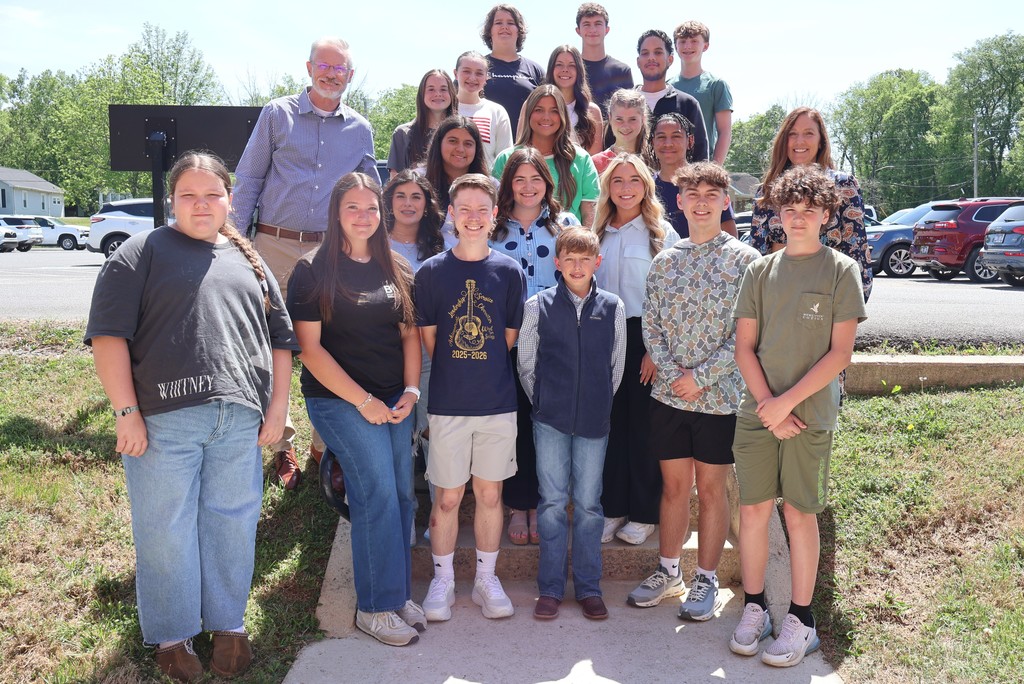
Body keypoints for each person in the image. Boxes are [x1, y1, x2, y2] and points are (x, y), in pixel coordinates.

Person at [87, 152, 298, 681]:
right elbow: (109, 336)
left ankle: (228, 624)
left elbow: (280, 344)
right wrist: (126, 412)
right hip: (164, 420)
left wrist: (277, 408)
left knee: (233, 521)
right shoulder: (141, 253)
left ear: (230, 198)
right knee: (166, 528)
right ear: (172, 201)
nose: (201, 205)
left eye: (212, 195)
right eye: (188, 196)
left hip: (241, 420)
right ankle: (173, 635)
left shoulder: (250, 260)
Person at [730, 165, 866, 666]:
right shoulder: (760, 271)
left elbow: (840, 354)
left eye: (810, 210)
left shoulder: (840, 270)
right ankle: (755, 607)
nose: (799, 218)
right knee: (753, 511)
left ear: (827, 215)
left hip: (807, 415)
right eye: (790, 210)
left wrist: (785, 405)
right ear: (779, 215)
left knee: (799, 511)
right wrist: (768, 406)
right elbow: (745, 347)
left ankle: (801, 620)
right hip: (758, 411)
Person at [232, 36, 379, 490]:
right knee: (269, 345)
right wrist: (234, 241)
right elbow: (250, 177)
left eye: (340, 69)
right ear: (309, 67)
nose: (331, 74)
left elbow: (370, 192)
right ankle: (282, 446)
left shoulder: (360, 129)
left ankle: (323, 447)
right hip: (273, 244)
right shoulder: (277, 114)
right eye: (324, 66)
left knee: (329, 346)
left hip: (329, 254)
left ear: (350, 77)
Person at [287, 172, 424, 647]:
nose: (363, 217)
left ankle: (396, 593)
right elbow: (310, 349)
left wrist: (411, 390)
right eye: (353, 208)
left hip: (393, 399)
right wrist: (362, 401)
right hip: (339, 400)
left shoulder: (396, 266)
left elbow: (408, 333)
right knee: (377, 494)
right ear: (336, 213)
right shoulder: (312, 270)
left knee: (404, 494)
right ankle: (373, 608)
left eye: (371, 208)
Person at [627, 162, 759, 621]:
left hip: (719, 399)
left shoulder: (745, 261)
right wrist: (670, 372)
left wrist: (700, 377)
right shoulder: (666, 260)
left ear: (726, 201)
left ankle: (706, 577)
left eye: (710, 194)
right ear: (678, 202)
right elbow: (652, 325)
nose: (701, 202)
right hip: (668, 397)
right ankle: (669, 572)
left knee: (713, 488)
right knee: (674, 487)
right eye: (692, 194)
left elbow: (746, 335)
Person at [414, 174, 527, 622]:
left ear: (495, 214)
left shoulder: (509, 272)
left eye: (483, 209)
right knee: (446, 497)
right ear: (451, 216)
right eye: (466, 209)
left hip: (497, 404)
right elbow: (431, 343)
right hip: (447, 405)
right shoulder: (430, 273)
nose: (474, 217)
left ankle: (485, 578)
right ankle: (442, 581)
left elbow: (508, 339)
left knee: (490, 494)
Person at [518, 227, 626, 621]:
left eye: (585, 259)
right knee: (550, 503)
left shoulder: (612, 307)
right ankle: (549, 588)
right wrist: (546, 401)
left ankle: (588, 587)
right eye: (570, 259)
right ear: (557, 263)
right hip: (550, 419)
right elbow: (527, 365)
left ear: (597, 262)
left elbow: (616, 368)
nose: (577, 266)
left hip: (594, 422)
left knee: (588, 505)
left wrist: (596, 402)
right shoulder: (537, 306)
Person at [490, 147, 581, 545]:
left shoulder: (565, 224)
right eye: (519, 179)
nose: (528, 188)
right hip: (503, 340)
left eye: (536, 179)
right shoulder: (491, 227)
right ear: (508, 184)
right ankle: (518, 502)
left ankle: (548, 501)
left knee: (548, 423)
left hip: (554, 339)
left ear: (548, 183)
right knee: (512, 424)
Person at [594, 154, 680, 547]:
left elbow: (675, 297)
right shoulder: (596, 233)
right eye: (617, 181)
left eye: (633, 180)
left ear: (646, 185)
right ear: (607, 188)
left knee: (644, 427)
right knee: (609, 426)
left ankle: (644, 513)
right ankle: (612, 508)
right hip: (602, 336)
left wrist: (656, 350)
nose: (625, 188)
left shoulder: (661, 233)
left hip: (646, 336)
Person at [383, 171, 456, 544]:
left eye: (416, 196)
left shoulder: (442, 245)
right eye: (401, 196)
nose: (408, 203)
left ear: (427, 204)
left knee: (432, 433)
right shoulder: (373, 244)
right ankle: (404, 515)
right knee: (397, 435)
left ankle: (439, 517)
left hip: (430, 352)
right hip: (383, 354)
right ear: (390, 202)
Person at [749, 107, 873, 302]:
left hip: (828, 296)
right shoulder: (767, 191)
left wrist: (853, 304)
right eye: (793, 134)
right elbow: (758, 254)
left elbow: (856, 248)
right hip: (780, 298)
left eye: (809, 133)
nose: (800, 141)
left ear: (821, 140)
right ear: (784, 140)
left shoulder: (843, 185)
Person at [493, 85, 600, 226]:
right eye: (539, 110)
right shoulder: (506, 158)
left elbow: (589, 213)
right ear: (529, 113)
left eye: (554, 111)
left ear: (563, 115)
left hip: (567, 245)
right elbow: (494, 208)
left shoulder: (581, 159)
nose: (546, 117)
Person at [650, 113, 737, 237]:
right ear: (653, 142)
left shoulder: (708, 182)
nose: (668, 143)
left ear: (690, 141)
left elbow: (730, 238)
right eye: (661, 137)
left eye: (676, 136)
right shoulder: (646, 188)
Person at [627, 29, 709, 162]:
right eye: (645, 53)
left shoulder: (688, 104)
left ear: (670, 59)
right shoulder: (623, 104)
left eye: (658, 52)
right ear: (638, 61)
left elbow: (700, 157)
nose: (651, 58)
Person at [671, 21, 733, 164]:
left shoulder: (716, 85)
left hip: (701, 164)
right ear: (675, 46)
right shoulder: (667, 86)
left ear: (705, 46)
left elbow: (724, 132)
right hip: (669, 166)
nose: (687, 46)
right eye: (682, 41)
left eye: (694, 41)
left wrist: (714, 169)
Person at [481, 4, 544, 135]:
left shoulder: (535, 70)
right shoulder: (477, 67)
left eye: (510, 23)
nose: (504, 27)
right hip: (483, 149)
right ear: (490, 31)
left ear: (519, 30)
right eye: (498, 22)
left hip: (525, 149)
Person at [423, 115, 490, 231]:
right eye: (453, 141)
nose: (460, 149)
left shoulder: (491, 186)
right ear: (439, 143)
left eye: (468, 143)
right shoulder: (419, 182)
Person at [534, 45, 604, 155]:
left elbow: (594, 160)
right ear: (551, 69)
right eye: (559, 65)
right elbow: (522, 148)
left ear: (579, 70)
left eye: (572, 65)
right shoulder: (532, 106)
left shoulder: (592, 111)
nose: (565, 70)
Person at [387, 69, 458, 177]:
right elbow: (395, 179)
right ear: (422, 94)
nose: (438, 94)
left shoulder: (462, 132)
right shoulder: (403, 134)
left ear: (451, 94)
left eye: (443, 89)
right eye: (431, 89)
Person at [454, 51, 514, 170]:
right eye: (466, 71)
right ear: (456, 74)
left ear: (486, 77)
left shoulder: (497, 111)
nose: (472, 78)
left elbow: (505, 159)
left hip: (486, 185)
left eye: (479, 73)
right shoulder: (443, 108)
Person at [575, 3, 633, 115]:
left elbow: (629, 113)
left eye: (598, 24)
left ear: (607, 30)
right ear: (578, 31)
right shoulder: (571, 70)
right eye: (586, 24)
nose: (592, 29)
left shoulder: (622, 71)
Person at [591, 88, 653, 175]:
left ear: (643, 119)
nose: (625, 126)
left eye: (632, 119)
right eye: (619, 119)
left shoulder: (654, 160)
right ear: (610, 118)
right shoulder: (596, 163)